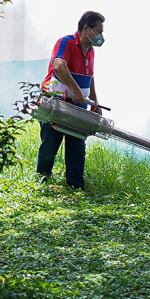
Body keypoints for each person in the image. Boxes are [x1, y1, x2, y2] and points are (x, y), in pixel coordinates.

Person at [36, 10, 105, 189]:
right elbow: (58, 65)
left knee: (77, 146)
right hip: (57, 102)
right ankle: (42, 180)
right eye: (98, 31)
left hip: (79, 105)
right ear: (86, 29)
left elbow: (90, 77)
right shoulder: (66, 42)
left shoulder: (90, 52)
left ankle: (75, 186)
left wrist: (95, 102)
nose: (101, 36)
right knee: (49, 145)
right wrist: (75, 90)